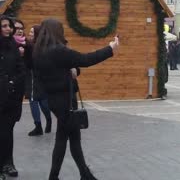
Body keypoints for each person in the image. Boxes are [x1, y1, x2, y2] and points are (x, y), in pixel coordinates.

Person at [33, 18, 119, 180]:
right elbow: (85, 60)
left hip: (54, 100)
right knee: (63, 139)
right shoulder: (58, 50)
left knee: (72, 137)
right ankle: (56, 176)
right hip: (65, 100)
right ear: (57, 31)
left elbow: (64, 70)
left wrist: (72, 71)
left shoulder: (39, 51)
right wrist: (110, 49)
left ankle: (84, 173)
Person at [0, 15, 26, 179]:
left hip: (10, 98)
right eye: (4, 26)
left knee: (7, 132)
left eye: (9, 26)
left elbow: (21, 70)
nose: (8, 29)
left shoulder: (14, 47)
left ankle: (8, 163)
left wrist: (12, 83)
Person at [24, 25, 53, 136]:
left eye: (32, 32)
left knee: (43, 103)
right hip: (31, 78)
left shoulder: (38, 47)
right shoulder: (28, 45)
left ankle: (48, 119)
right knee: (33, 101)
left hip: (39, 78)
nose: (29, 34)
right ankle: (38, 126)